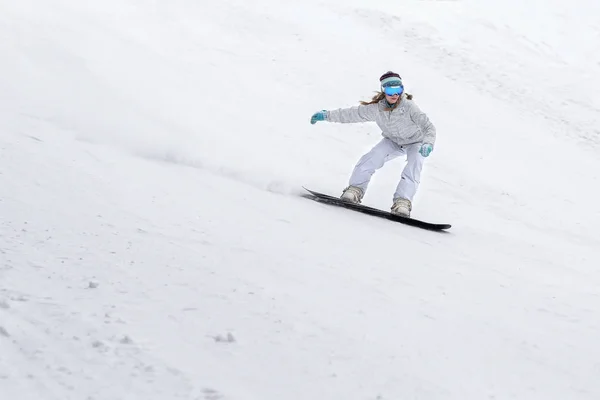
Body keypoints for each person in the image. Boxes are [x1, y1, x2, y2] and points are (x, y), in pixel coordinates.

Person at [309, 71, 436, 217]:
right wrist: (326, 115)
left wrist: (428, 143)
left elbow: (429, 127)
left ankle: (402, 202)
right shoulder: (377, 109)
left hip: (416, 142)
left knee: (414, 165)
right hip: (393, 141)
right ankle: (355, 190)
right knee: (371, 158)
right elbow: (352, 114)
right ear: (383, 90)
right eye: (390, 90)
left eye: (398, 90)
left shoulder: (409, 107)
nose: (394, 94)